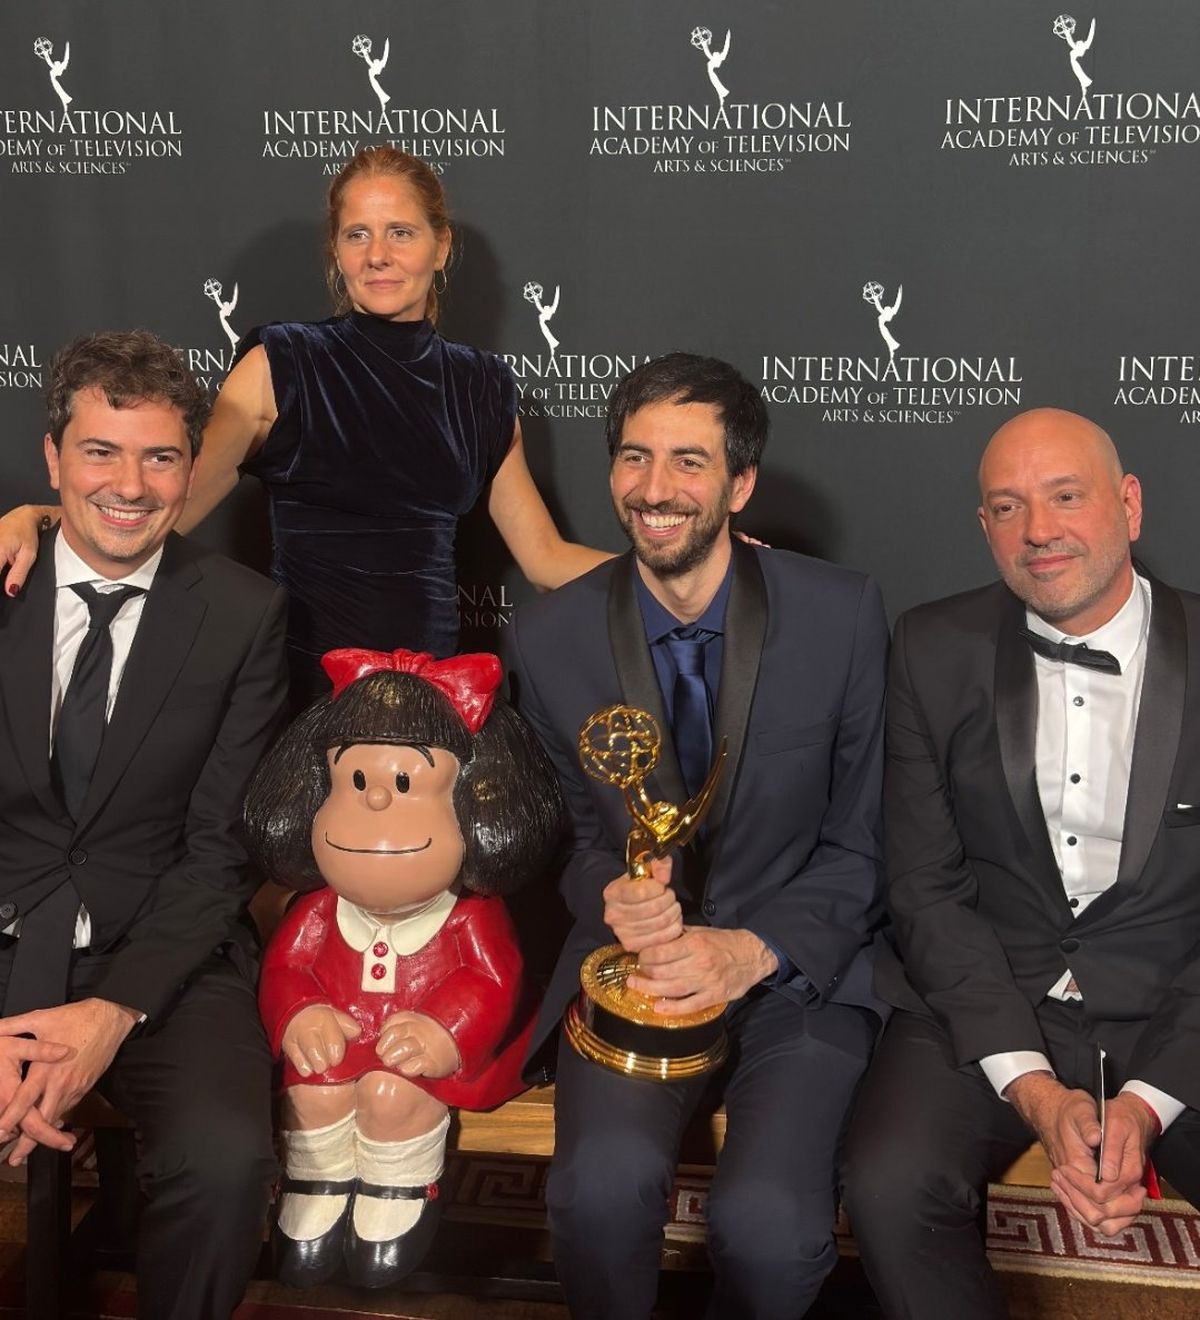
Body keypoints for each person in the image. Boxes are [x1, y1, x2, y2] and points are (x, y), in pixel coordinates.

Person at [506, 353, 890, 1320]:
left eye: (688, 462)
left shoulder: (839, 616)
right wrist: (612, 894)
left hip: (797, 977)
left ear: (740, 484)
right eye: (635, 458)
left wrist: (749, 949)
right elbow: (572, 839)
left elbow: (869, 841)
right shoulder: (549, 638)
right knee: (596, 1196)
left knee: (768, 1230)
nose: (655, 489)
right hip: (634, 970)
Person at [0, 146, 606, 702]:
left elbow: (545, 560)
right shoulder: (283, 364)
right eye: (357, 235)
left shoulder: (484, 388)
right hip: (301, 694)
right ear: (336, 250)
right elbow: (161, 510)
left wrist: (691, 574)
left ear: (441, 246)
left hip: (431, 695)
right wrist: (40, 518)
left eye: (401, 233)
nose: (378, 256)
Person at [842, 408, 1200, 1319]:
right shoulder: (930, 648)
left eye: (1066, 497)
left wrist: (1151, 1101)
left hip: (1176, 1003)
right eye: (1007, 507)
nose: (1039, 531)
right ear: (984, 528)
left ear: (1129, 504)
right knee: (889, 1185)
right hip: (986, 992)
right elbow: (925, 886)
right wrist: (1036, 1090)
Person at [0, 330, 289, 1319]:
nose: (130, 484)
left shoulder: (243, 615)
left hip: (164, 949)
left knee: (224, 1160)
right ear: (52, 461)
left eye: (161, 457)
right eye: (100, 452)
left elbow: (220, 850)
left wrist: (110, 1011)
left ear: (190, 467)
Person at [246, 647, 564, 1289]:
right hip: (337, 1040)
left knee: (392, 1095)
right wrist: (298, 1010)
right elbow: (285, 967)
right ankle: (316, 1183)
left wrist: (447, 1030)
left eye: (406, 785)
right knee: (311, 1088)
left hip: (420, 1056)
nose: (376, 807)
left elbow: (493, 980)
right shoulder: (315, 910)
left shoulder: (470, 916)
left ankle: (399, 1191)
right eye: (357, 783)